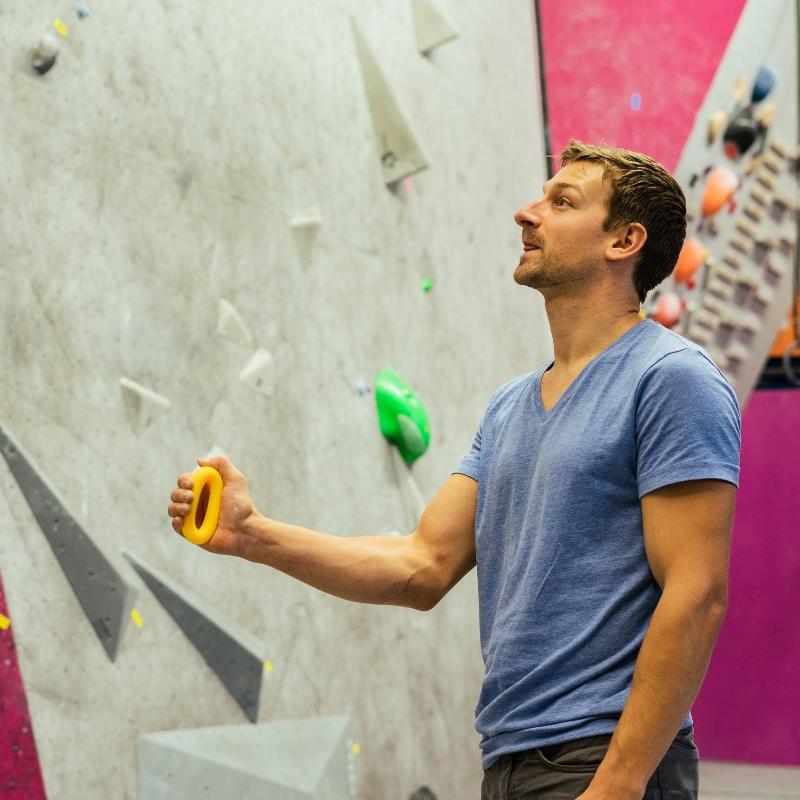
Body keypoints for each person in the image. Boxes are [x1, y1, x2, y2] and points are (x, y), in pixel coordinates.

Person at [167, 140, 741, 800]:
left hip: (605, 761)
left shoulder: (669, 379)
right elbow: (422, 564)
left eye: (562, 202)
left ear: (625, 240)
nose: (527, 214)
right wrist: (251, 535)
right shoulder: (508, 410)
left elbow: (696, 595)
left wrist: (617, 784)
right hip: (509, 761)